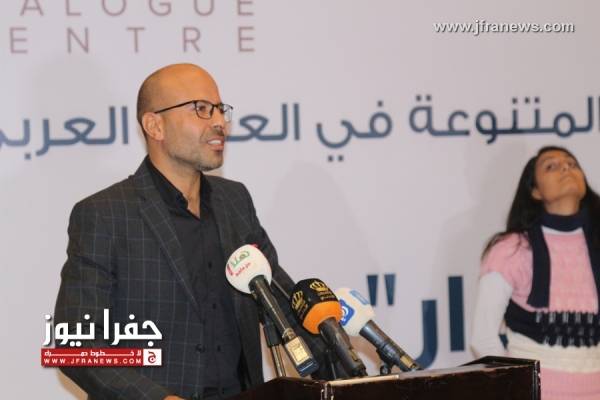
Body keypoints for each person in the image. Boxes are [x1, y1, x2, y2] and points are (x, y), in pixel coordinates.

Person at [54, 63, 341, 400]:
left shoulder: (235, 202)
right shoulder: (106, 215)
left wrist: (344, 367)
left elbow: (283, 305)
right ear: (155, 125)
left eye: (220, 109)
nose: (219, 122)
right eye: (201, 109)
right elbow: (76, 347)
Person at [471, 146, 600, 399]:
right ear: (535, 191)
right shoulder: (511, 250)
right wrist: (516, 388)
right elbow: (482, 339)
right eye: (551, 166)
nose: (566, 168)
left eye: (572, 164)